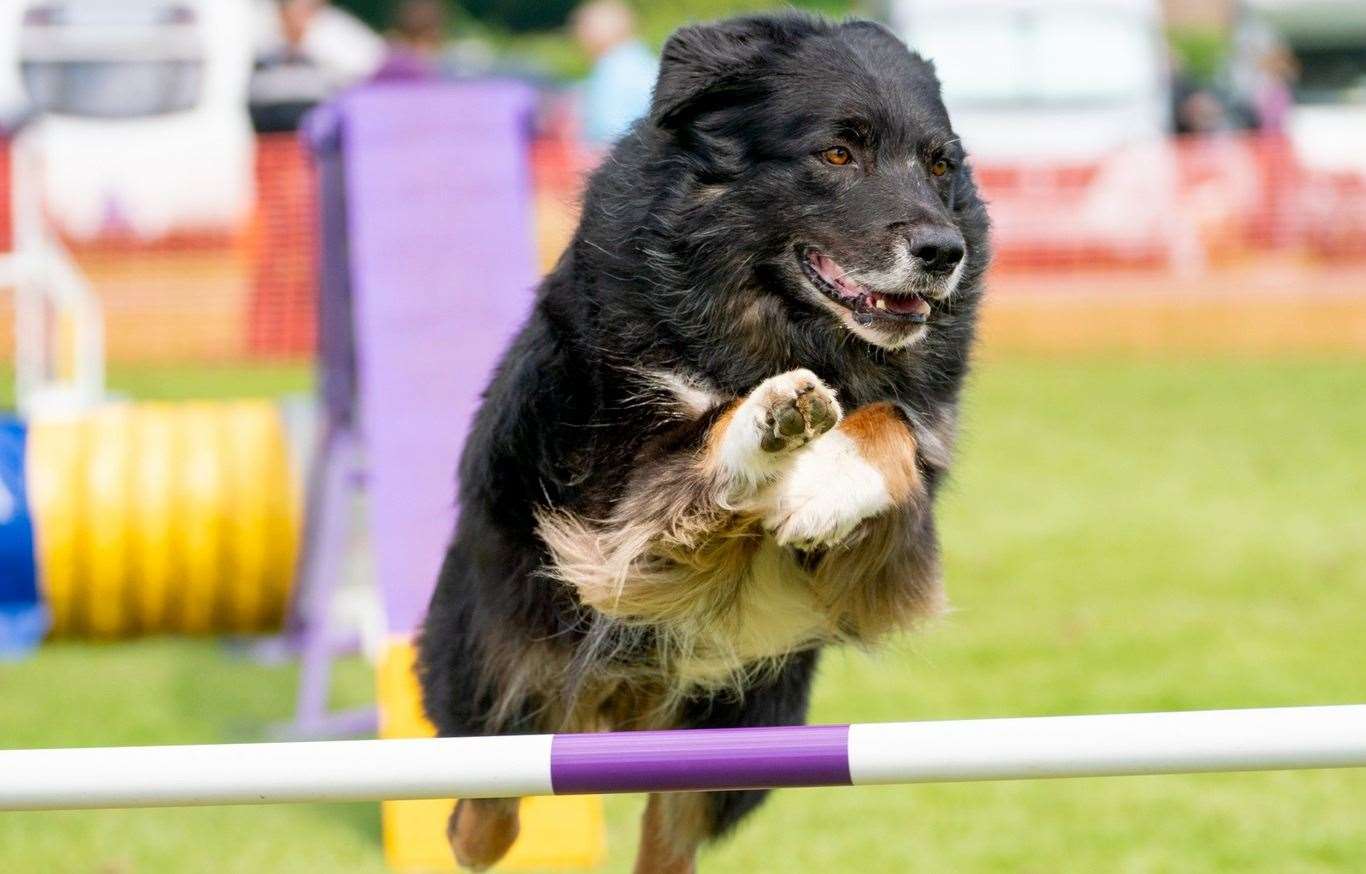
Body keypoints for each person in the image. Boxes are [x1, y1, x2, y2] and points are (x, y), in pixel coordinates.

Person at [570, 0, 657, 147]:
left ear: (597, 31)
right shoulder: (643, 61)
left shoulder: (614, 71)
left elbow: (606, 138)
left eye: (582, 28)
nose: (577, 36)